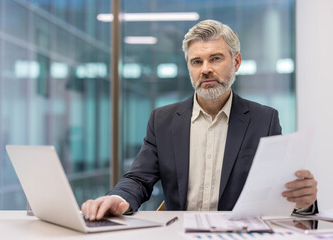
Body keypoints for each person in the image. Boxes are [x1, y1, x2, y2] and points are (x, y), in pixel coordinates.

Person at [82, 19, 318, 221]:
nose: (205, 69)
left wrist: (303, 202)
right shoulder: (162, 120)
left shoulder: (263, 120)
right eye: (197, 62)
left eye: (215, 59)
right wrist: (118, 198)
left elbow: (278, 190)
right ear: (189, 67)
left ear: (236, 62)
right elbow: (138, 178)